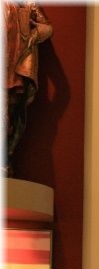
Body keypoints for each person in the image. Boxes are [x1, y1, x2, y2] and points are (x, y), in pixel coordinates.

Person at [5, 1, 53, 166]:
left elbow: (47, 27)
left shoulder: (27, 3)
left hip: (13, 71)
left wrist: (34, 36)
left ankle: (5, 160)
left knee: (9, 116)